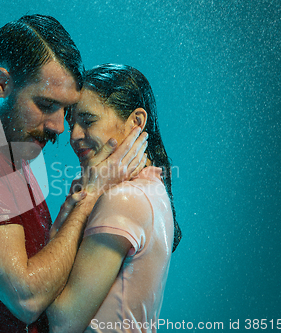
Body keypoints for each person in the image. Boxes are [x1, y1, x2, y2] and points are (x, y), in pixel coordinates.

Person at [0, 16, 148, 332]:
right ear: (1, 84)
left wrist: (73, 205)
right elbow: (26, 298)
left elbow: (42, 264)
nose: (58, 126)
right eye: (45, 104)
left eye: (64, 111)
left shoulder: (15, 151)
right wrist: (91, 195)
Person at [46, 64, 182, 333]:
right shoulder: (152, 189)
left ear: (136, 122)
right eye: (72, 123)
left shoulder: (125, 198)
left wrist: (89, 196)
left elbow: (62, 323)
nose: (73, 136)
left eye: (88, 120)